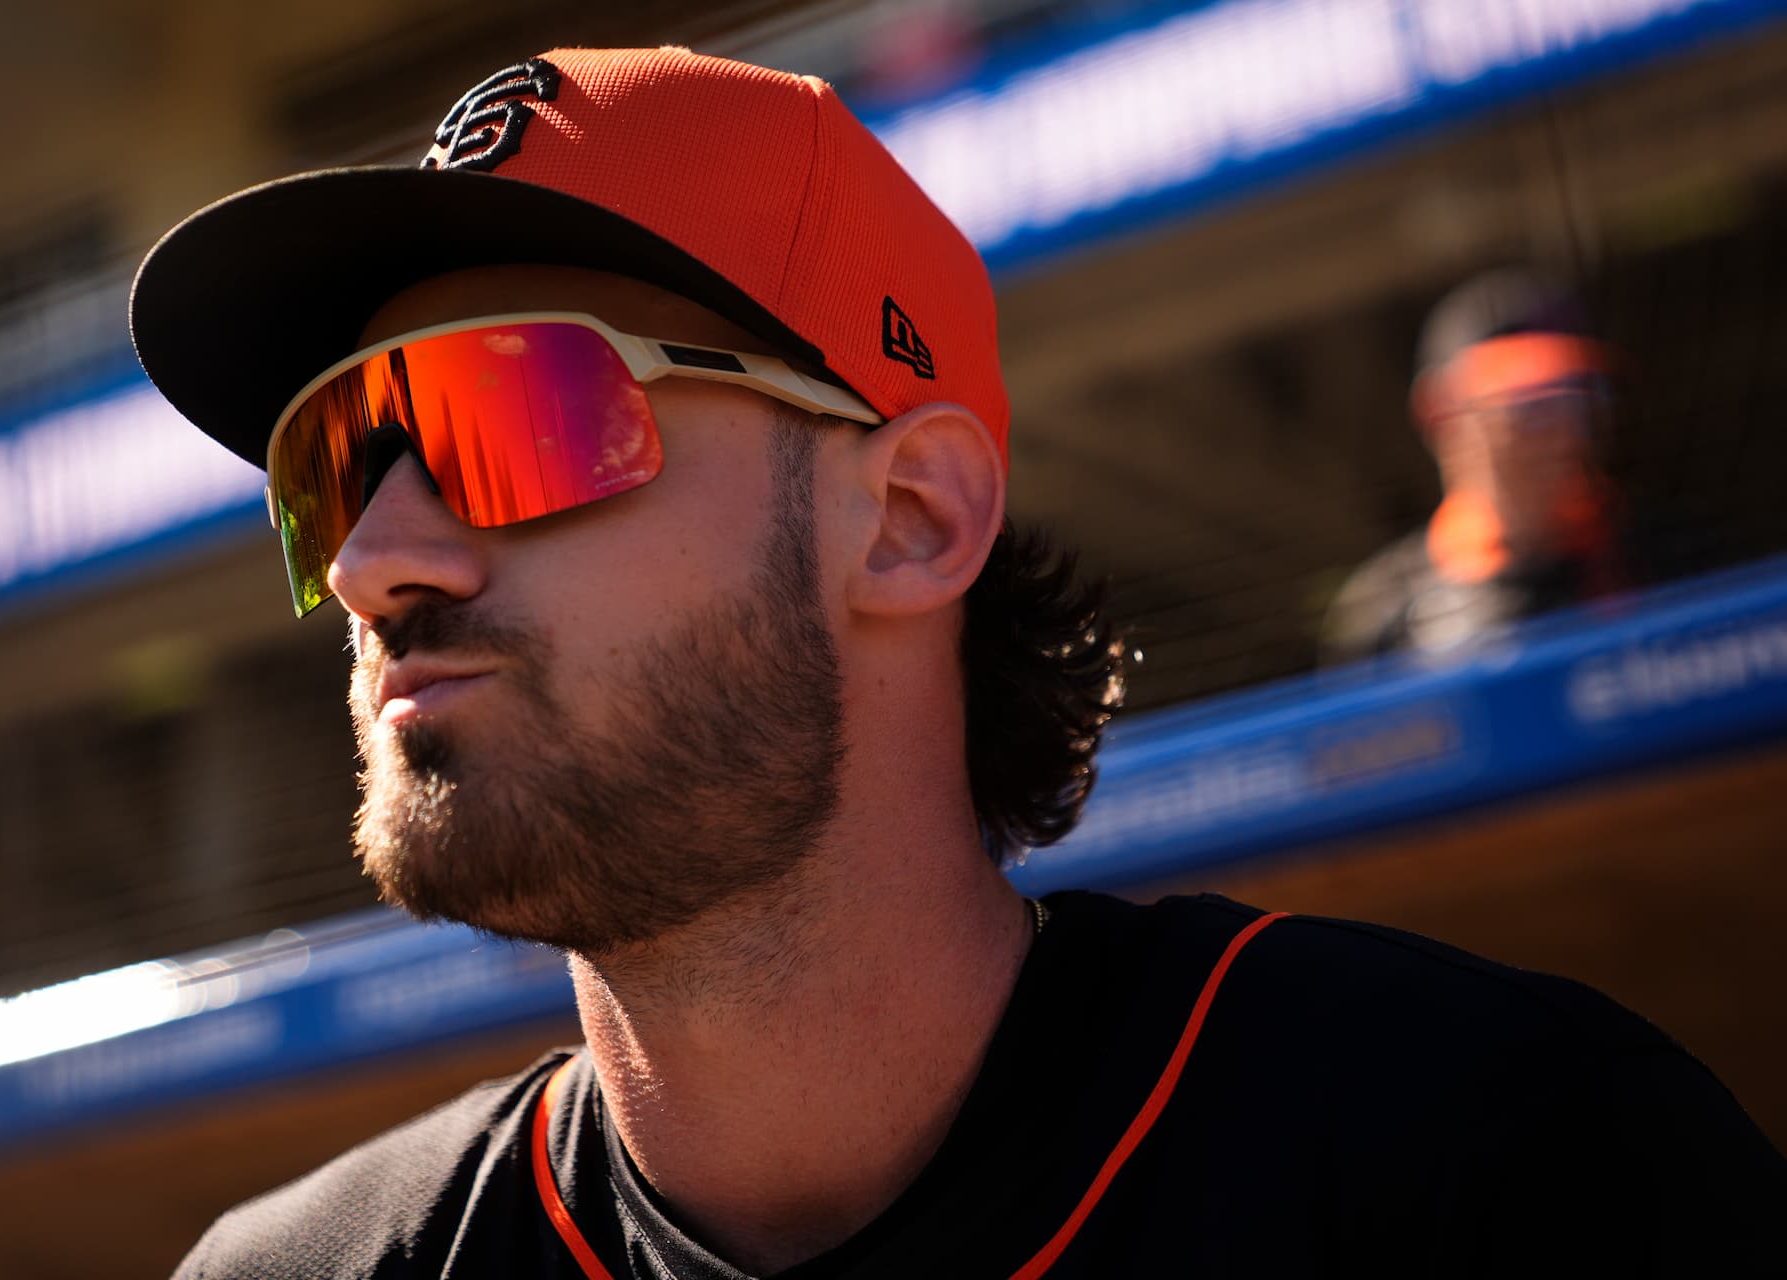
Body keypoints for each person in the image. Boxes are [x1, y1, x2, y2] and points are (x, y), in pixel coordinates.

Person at [131, 48, 1784, 1279]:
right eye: (339, 458)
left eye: (521, 415)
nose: (372, 559)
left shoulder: (1502, 1169)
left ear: (914, 518)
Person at [1322, 269, 1635, 665]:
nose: (1562, 430)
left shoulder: (1666, 561)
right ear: (1441, 414)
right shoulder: (1383, 615)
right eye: (1527, 402)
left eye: (1576, 395)